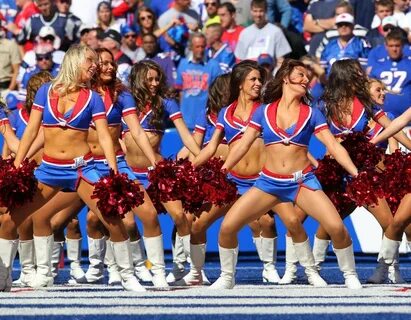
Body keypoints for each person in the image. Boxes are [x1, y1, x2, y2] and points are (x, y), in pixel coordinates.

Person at [205, 59, 363, 290]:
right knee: (228, 227)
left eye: (307, 77)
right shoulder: (263, 111)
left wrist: (355, 173)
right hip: (268, 182)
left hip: (302, 181)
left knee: (337, 228)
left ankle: (349, 274)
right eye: (300, 75)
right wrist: (223, 169)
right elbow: (241, 145)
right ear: (285, 78)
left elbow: (335, 147)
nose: (306, 80)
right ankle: (227, 277)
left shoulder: (312, 113)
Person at [0, 44, 144, 292]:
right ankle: (4, 276)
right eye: (90, 60)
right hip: (48, 169)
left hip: (81, 169)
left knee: (112, 219)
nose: (95, 65)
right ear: (75, 61)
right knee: (11, 219)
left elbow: (104, 135)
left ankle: (128, 275)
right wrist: (17, 163)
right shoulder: (46, 91)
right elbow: (32, 131)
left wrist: (113, 169)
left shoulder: (93, 98)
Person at [312, 59, 411, 283]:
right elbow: (307, 132)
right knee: (330, 223)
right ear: (346, 76)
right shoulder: (324, 105)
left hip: (363, 174)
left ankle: (385, 270)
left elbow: (393, 127)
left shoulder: (366, 103)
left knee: (388, 222)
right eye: (357, 73)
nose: (362, 76)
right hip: (338, 174)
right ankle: (313, 269)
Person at [123, 60, 202, 282]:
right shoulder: (124, 103)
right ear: (138, 79)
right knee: (128, 223)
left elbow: (185, 134)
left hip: (156, 170)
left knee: (179, 216)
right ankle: (140, 265)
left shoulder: (166, 104)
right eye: (149, 79)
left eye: (157, 79)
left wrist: (200, 155)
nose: (155, 83)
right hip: (129, 171)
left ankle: (185, 266)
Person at [175, 32, 222, 130]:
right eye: (197, 47)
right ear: (191, 47)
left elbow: (218, 94)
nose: (200, 50)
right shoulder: (183, 64)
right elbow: (180, 92)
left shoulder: (213, 65)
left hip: (205, 121)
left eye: (202, 46)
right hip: (186, 120)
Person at [234, 0, 291, 67]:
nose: (258, 15)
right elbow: (240, 60)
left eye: (261, 11)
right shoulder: (244, 33)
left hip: (269, 73)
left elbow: (280, 60)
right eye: (255, 11)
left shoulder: (276, 31)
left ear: (266, 11)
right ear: (251, 11)